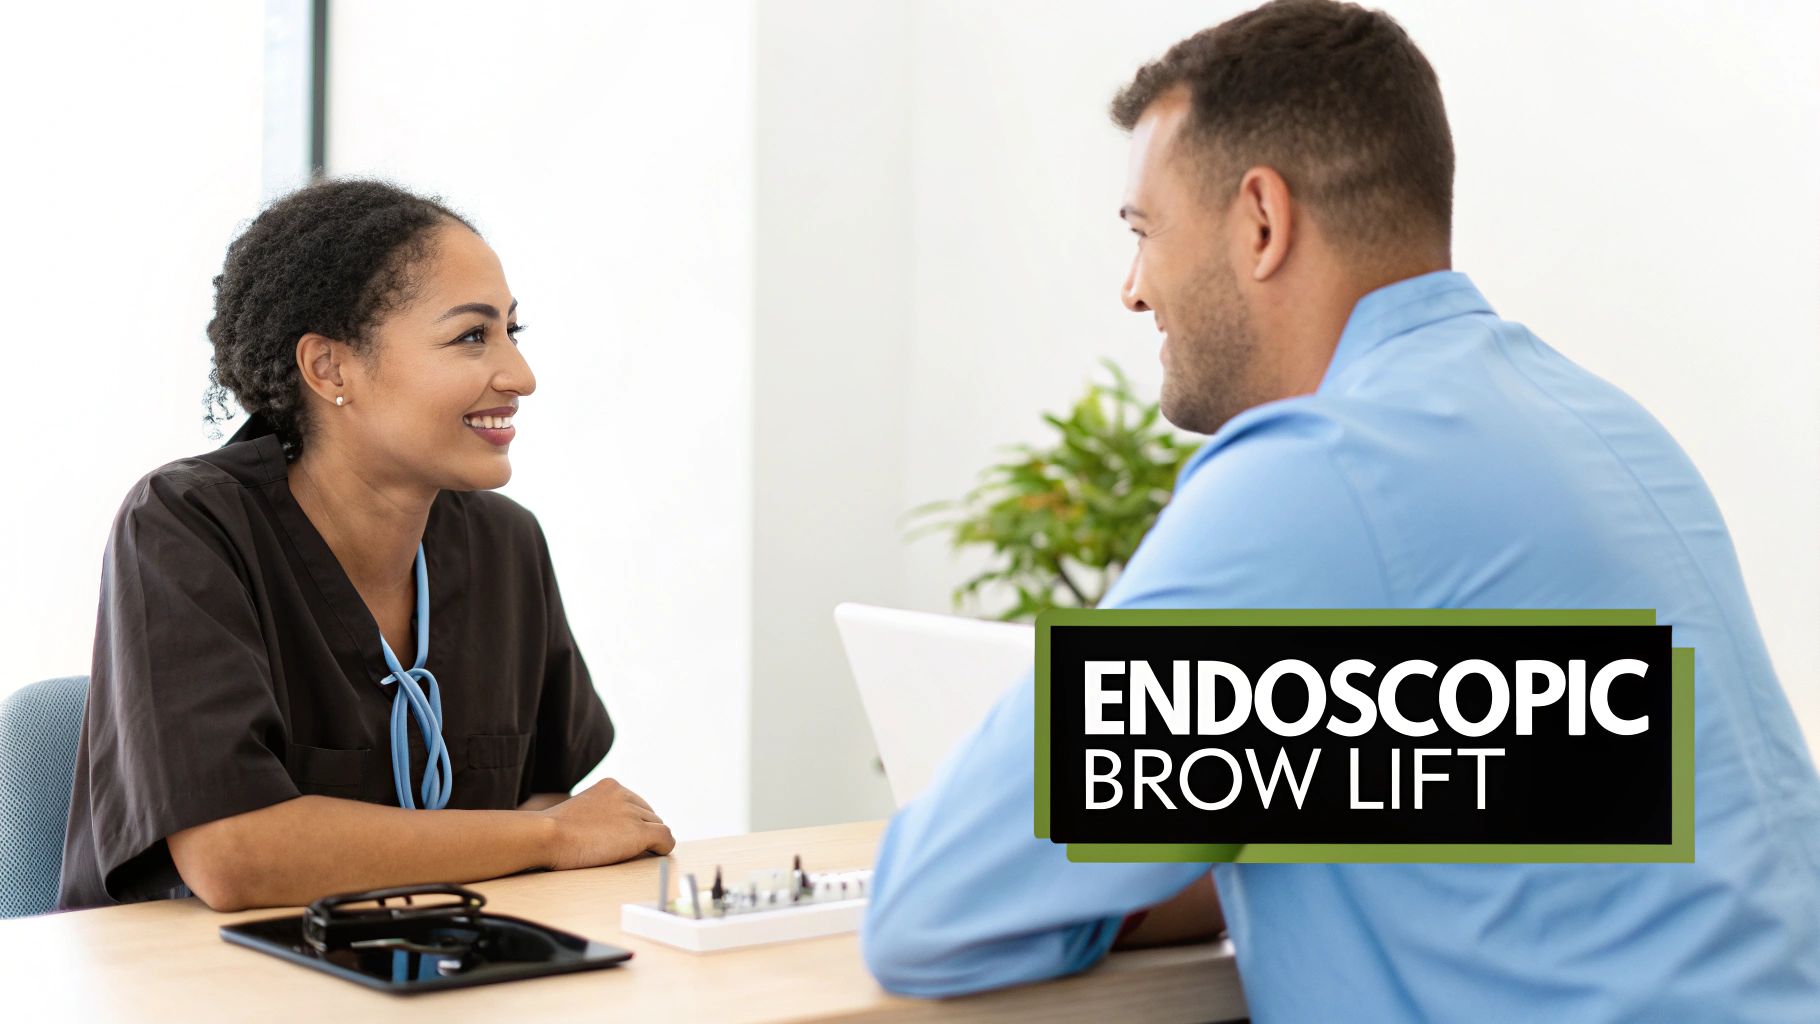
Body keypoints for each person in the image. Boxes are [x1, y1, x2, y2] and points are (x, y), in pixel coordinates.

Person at [860, 1, 1820, 1018]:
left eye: (1144, 232)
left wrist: (1087, 878)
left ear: (1260, 221)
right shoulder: (1604, 431)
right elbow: (1507, 795)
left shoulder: (1322, 475)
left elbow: (926, 911)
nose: (1133, 289)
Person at [58, 180, 674, 912]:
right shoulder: (186, 526)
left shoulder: (507, 545)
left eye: (514, 332)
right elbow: (233, 856)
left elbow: (547, 792)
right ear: (329, 368)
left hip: (437, 975)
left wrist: (547, 829)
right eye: (472, 336)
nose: (520, 376)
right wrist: (546, 838)